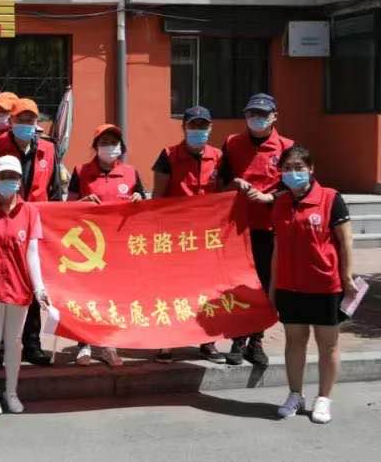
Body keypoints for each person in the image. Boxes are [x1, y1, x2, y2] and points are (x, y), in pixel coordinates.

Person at [0, 97, 61, 366]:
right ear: (11, 121)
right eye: (20, 119)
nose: (26, 124)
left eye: (30, 120)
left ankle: (32, 345)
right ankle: (1, 348)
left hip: (36, 226)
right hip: (3, 224)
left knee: (32, 284)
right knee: (3, 287)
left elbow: (55, 193)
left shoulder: (48, 149)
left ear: (36, 123)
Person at [270, 145, 354, 424]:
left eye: (299, 168)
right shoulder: (280, 202)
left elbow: (346, 241)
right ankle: (295, 394)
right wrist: (272, 287)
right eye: (287, 168)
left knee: (327, 344)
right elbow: (277, 247)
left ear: (311, 169)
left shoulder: (330, 198)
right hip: (289, 286)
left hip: (325, 285)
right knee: (294, 342)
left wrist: (347, 277)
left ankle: (323, 398)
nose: (293, 173)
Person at [218, 93, 295, 366]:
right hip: (237, 228)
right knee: (238, 285)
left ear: (275, 116)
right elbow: (220, 178)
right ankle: (238, 339)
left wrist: (269, 197)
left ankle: (256, 341)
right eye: (251, 114)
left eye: (262, 114)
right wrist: (234, 182)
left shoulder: (287, 147)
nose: (256, 119)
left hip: (269, 227)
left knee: (264, 286)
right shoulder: (232, 143)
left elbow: (294, 185)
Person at [0, 155, 51, 415]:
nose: (8, 181)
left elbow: (32, 253)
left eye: (13, 176)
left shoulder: (30, 212)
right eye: (3, 176)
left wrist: (39, 288)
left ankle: (11, 392)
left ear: (20, 180)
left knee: (15, 341)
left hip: (18, 285)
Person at [151, 105, 226, 363]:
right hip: (175, 237)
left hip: (207, 237)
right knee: (172, 289)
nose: (198, 130)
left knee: (208, 290)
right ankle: (167, 342)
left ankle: (208, 341)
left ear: (210, 128)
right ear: (184, 127)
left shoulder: (219, 157)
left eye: (203, 125)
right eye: (193, 125)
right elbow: (158, 198)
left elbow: (224, 195)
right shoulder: (168, 155)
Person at [66, 124, 143, 367]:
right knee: (86, 296)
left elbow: (143, 207)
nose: (110, 146)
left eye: (114, 142)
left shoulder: (131, 173)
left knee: (113, 296)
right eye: (104, 142)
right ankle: (84, 343)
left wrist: (140, 199)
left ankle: (109, 345)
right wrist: (82, 202)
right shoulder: (81, 172)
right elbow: (68, 208)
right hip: (89, 247)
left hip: (119, 247)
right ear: (96, 146)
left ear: (121, 146)